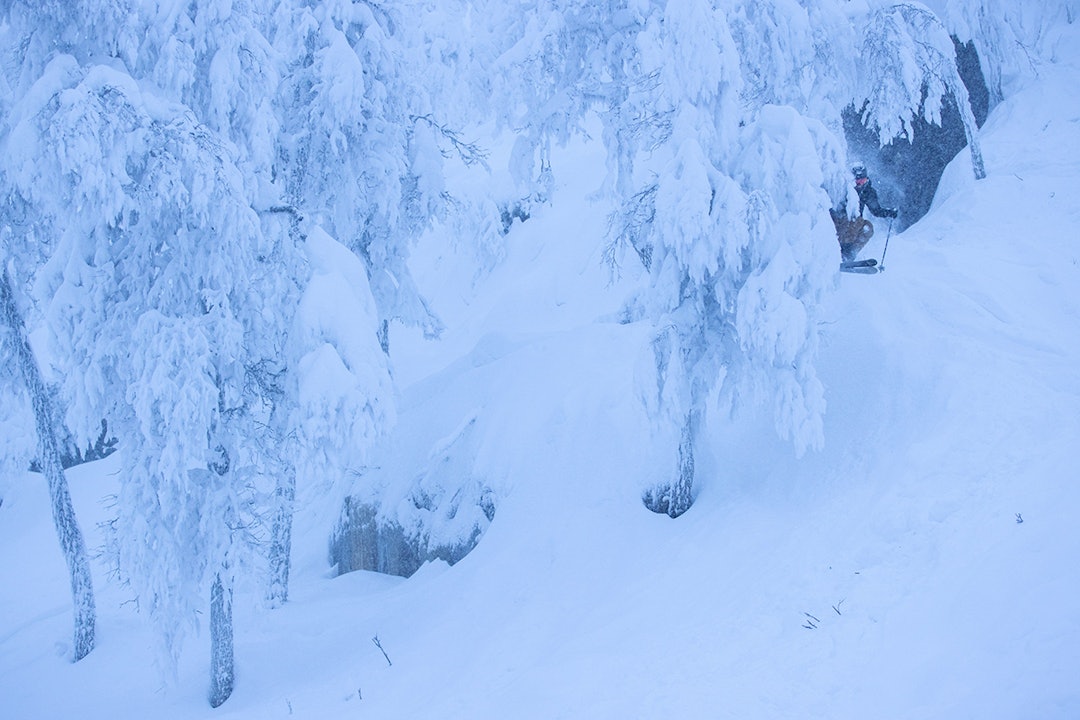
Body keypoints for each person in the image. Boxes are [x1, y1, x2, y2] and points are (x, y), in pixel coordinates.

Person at [831, 163, 898, 262]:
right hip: (838, 222)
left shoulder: (868, 191)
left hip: (854, 224)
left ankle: (849, 254)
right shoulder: (844, 188)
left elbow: (876, 210)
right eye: (857, 181)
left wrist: (888, 213)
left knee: (867, 227)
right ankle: (837, 251)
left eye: (862, 180)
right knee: (851, 222)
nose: (860, 184)